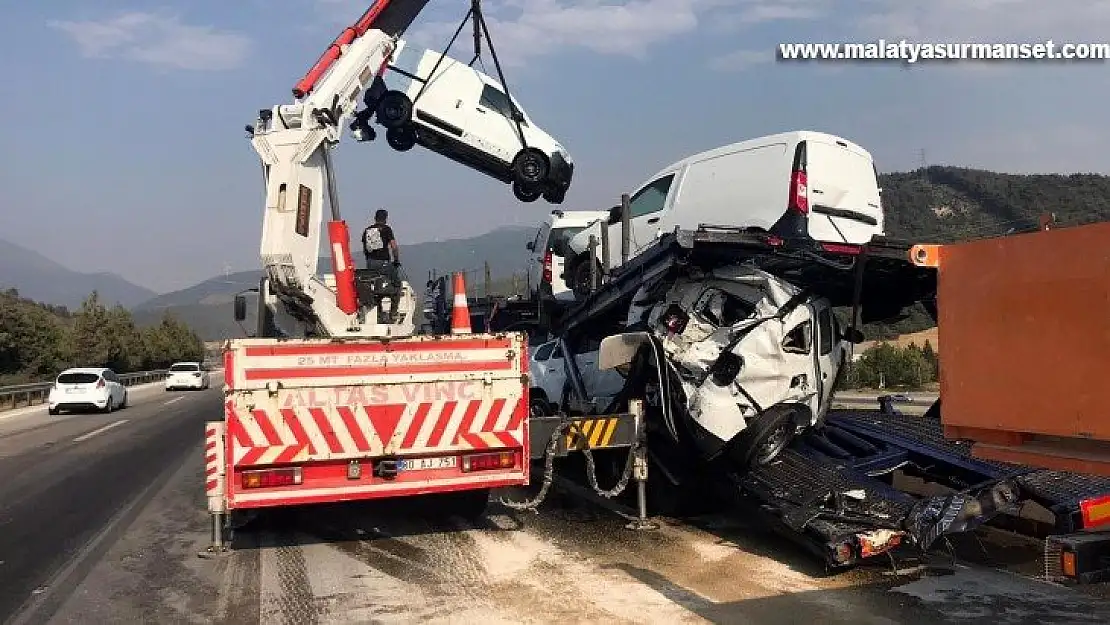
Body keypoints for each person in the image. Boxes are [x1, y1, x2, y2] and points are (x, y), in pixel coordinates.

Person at [361, 209, 402, 322]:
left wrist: (370, 261)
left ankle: (378, 314)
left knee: (375, 288)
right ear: (385, 218)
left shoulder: (367, 230)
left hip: (370, 264)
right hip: (384, 263)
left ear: (375, 218)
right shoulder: (387, 229)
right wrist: (396, 260)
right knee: (398, 285)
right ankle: (393, 313)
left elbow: (365, 248)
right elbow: (394, 246)